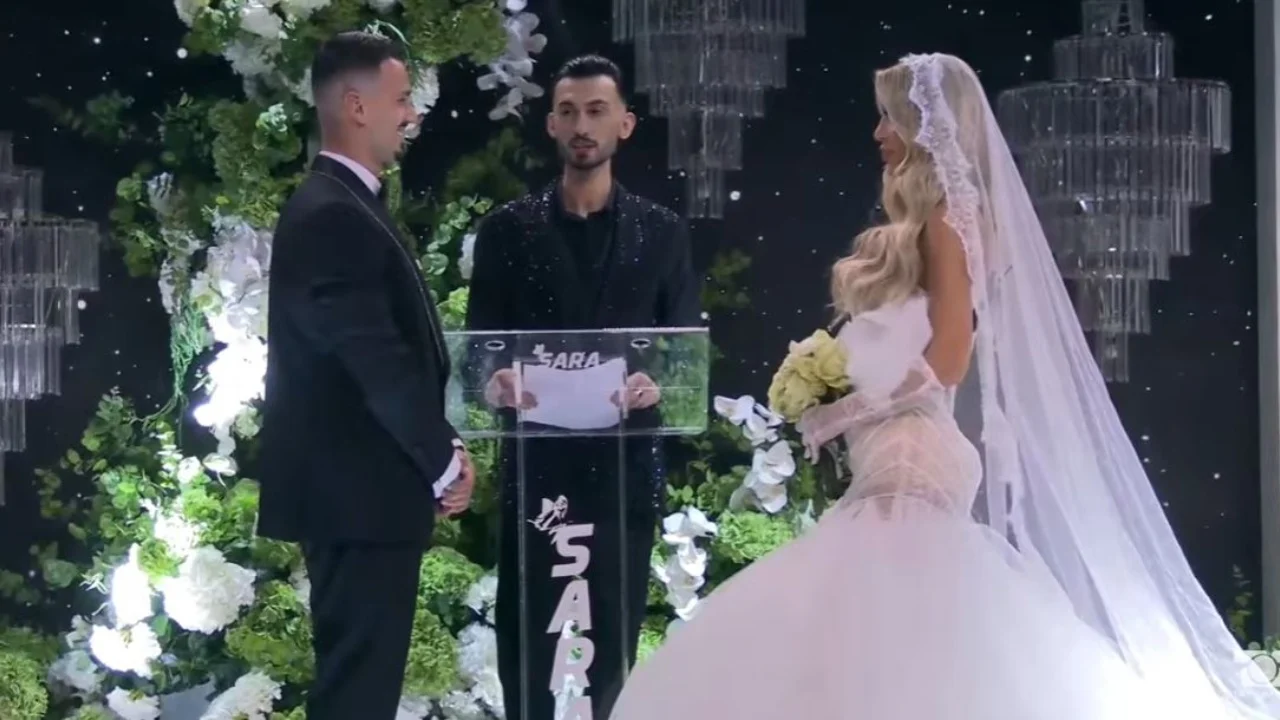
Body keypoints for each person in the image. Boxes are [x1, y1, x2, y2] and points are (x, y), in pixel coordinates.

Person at [607, 53, 1280, 719]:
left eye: (888, 118)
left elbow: (950, 360)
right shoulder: (935, 224)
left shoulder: (949, 224)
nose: (878, 132)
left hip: (912, 454)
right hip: (902, 450)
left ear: (925, 127)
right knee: (886, 640)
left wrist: (844, 412)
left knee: (888, 635)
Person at [465, 54, 701, 720]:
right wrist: (494, 380)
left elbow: (685, 356)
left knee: (612, 641)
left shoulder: (663, 232)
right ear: (550, 124)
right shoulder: (507, 231)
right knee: (530, 640)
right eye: (568, 112)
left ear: (625, 123)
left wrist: (658, 383)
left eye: (597, 111)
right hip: (536, 472)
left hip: (624, 471)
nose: (581, 126)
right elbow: (479, 351)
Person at [257, 31, 475, 720]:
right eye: (401, 99)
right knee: (357, 695)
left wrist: (440, 450)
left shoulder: (345, 203)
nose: (412, 114)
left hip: (364, 498)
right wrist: (442, 459)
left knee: (362, 691)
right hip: (358, 499)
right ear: (356, 107)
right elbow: (373, 357)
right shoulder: (331, 212)